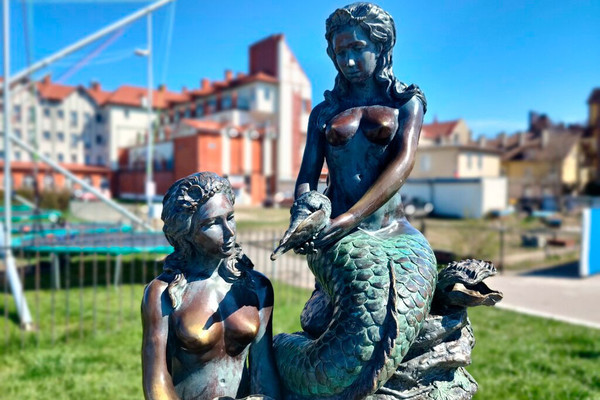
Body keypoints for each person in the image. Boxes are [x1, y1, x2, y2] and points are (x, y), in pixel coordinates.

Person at [272, 4, 438, 398]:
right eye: (340, 51)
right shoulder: (325, 112)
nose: (348, 60)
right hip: (334, 233)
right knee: (361, 316)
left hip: (394, 230)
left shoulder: (407, 102)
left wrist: (354, 215)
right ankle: (287, 353)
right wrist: (307, 212)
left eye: (357, 49)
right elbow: (307, 176)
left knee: (406, 301)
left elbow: (401, 165)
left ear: (382, 48)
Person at [141, 172, 280, 400]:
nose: (229, 232)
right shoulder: (162, 294)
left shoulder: (257, 287)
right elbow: (156, 382)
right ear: (186, 233)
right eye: (212, 223)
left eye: (230, 217)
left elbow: (263, 369)